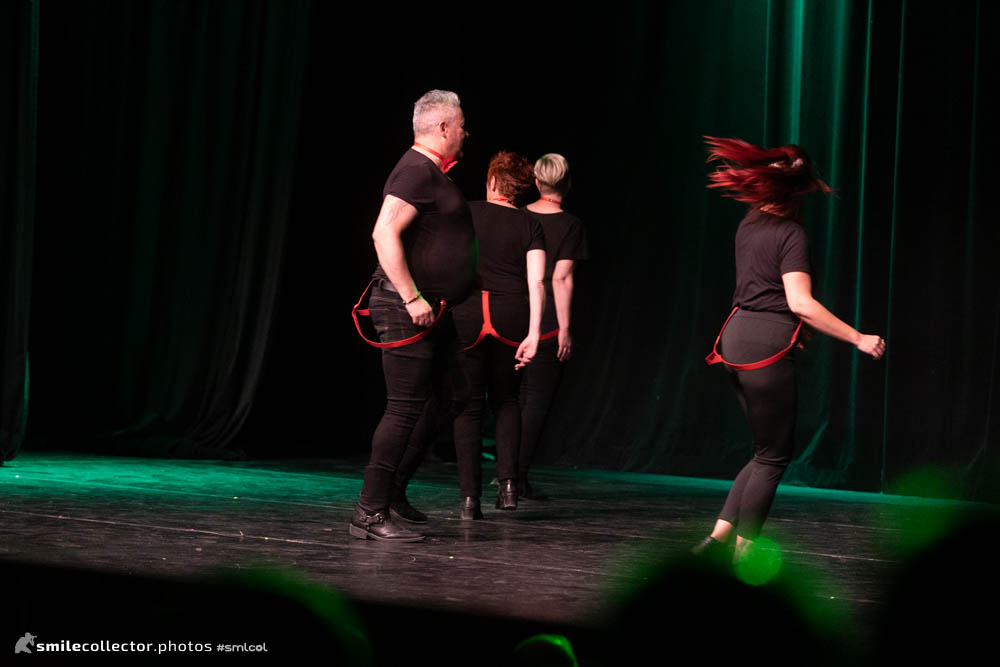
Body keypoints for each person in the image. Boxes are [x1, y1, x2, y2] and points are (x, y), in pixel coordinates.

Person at [692, 136, 886, 561]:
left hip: (735, 338)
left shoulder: (749, 222)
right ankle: (744, 556)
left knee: (764, 452)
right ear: (799, 191)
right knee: (774, 458)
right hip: (765, 347)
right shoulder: (790, 234)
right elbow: (800, 303)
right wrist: (859, 338)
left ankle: (718, 538)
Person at [350, 90, 474, 542]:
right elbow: (383, 233)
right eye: (461, 125)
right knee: (404, 408)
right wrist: (412, 297)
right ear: (443, 127)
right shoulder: (415, 170)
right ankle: (369, 511)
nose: (465, 132)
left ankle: (394, 491)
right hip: (408, 308)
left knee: (448, 399)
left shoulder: (430, 172)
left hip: (435, 311)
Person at [451, 151, 545, 519]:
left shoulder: (467, 212)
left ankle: (470, 500)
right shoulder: (530, 224)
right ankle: (508, 487)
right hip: (511, 315)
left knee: (469, 404)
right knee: (507, 399)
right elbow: (537, 281)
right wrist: (535, 333)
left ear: (492, 181)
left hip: (469, 313)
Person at [517, 154, 588, 500]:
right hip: (544, 321)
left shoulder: (518, 216)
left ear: (536, 182)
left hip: (510, 315)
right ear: (568, 183)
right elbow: (560, 278)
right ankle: (516, 477)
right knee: (536, 401)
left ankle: (506, 474)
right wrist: (565, 328)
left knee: (512, 399)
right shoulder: (570, 224)